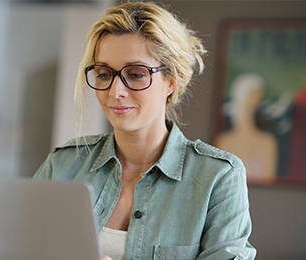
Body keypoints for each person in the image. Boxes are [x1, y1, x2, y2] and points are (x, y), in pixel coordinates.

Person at [34, 2, 256, 259]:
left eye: (137, 74)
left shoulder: (218, 178)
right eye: (104, 74)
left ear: (171, 81)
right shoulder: (63, 165)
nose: (115, 91)